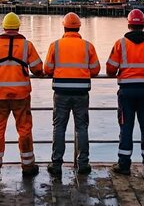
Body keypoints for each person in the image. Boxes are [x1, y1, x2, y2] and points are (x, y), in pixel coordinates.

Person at [0, 12, 44, 178]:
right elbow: (37, 69)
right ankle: (28, 167)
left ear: (4, 27)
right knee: (24, 130)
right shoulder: (27, 46)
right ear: (18, 27)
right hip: (21, 96)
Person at [106, 9, 144, 176]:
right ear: (143, 24)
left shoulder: (120, 44)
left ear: (129, 24)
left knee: (126, 128)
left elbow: (110, 69)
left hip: (126, 92)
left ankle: (124, 165)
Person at [44, 12, 100, 176]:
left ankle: (56, 165)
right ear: (79, 28)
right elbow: (96, 70)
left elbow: (47, 69)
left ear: (64, 26)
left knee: (59, 128)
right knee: (82, 128)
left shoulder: (55, 45)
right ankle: (83, 164)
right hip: (81, 92)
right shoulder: (88, 46)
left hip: (61, 92)